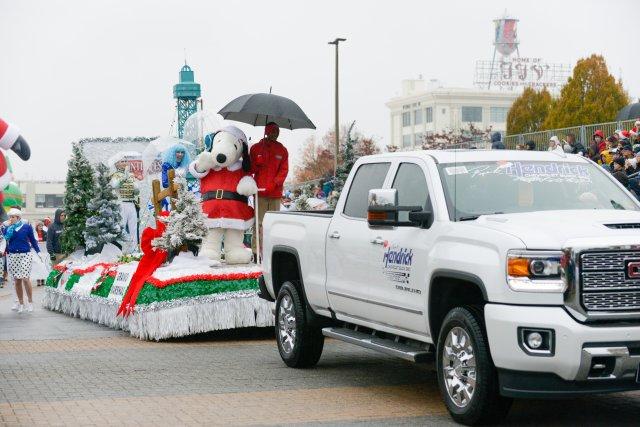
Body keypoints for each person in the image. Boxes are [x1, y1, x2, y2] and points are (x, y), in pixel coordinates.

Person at [250, 122, 289, 255]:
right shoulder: (255, 149)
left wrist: (275, 183)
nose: (275, 134)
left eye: (277, 132)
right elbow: (251, 169)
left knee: (273, 223)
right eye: (272, 131)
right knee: (259, 222)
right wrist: (257, 162)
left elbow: (284, 170)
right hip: (259, 192)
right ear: (267, 132)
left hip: (275, 193)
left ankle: (271, 251)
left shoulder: (282, 150)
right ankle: (256, 252)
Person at [4, 208, 40, 313]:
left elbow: (33, 240)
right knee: (17, 280)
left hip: (25, 254)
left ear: (18, 217)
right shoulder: (7, 229)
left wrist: (38, 252)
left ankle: (30, 302)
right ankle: (20, 303)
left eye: (13, 217)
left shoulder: (26, 227)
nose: (11, 219)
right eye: (10, 217)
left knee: (25, 278)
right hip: (13, 255)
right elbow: (4, 241)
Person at [110, 157, 139, 244]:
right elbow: (114, 185)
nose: (124, 163)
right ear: (117, 164)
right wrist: (124, 177)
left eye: (125, 161)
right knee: (121, 226)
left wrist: (134, 183)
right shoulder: (115, 175)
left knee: (133, 227)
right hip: (121, 203)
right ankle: (121, 248)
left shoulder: (130, 175)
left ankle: (134, 249)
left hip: (131, 203)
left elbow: (137, 191)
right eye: (122, 161)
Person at [34, 222, 47, 286]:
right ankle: (38, 280)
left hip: (44, 251)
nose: (41, 227)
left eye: (42, 226)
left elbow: (47, 241)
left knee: (43, 265)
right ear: (37, 226)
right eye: (39, 226)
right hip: (37, 251)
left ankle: (43, 280)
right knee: (38, 266)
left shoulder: (45, 233)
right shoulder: (34, 233)